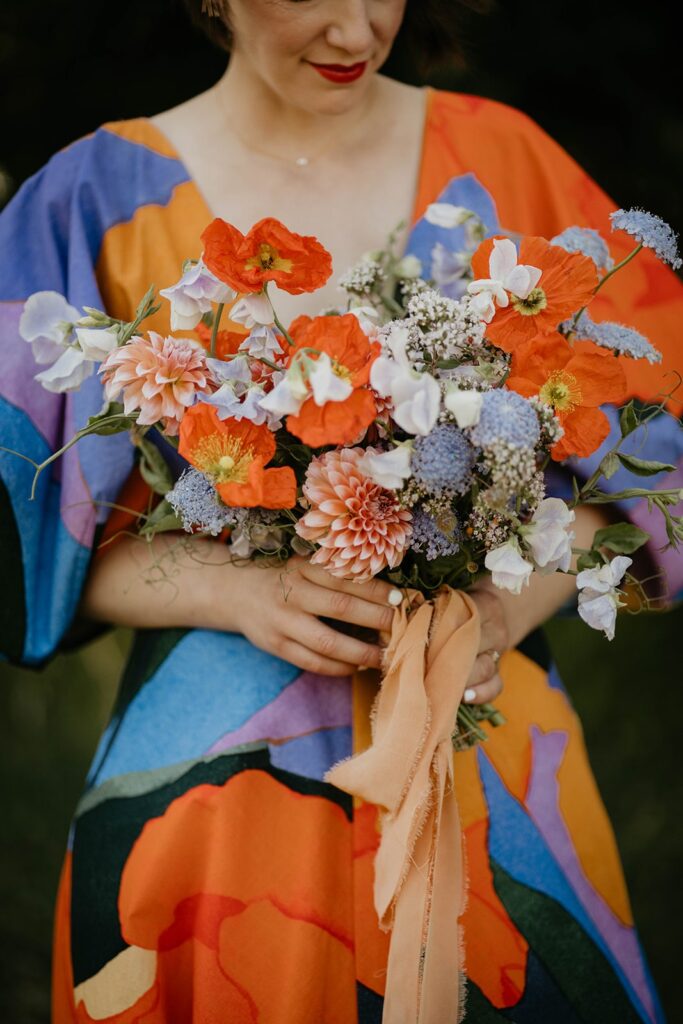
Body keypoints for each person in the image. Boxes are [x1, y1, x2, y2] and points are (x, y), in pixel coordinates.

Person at [0, 1, 680, 1020]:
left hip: (493, 783)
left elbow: (657, 491)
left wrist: (503, 611)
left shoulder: (505, 161)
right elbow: (18, 548)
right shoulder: (90, 200)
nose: (357, 34)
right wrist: (237, 590)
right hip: (206, 808)